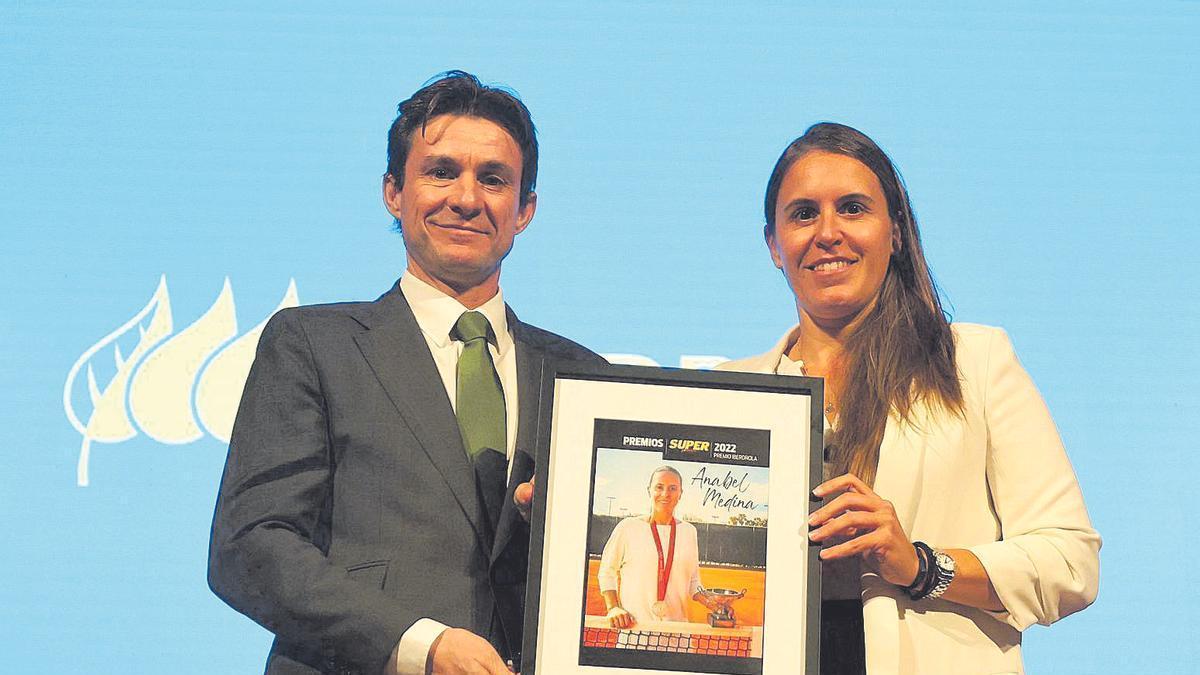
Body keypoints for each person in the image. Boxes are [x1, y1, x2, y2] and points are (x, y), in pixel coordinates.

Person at [207, 71, 602, 675]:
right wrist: (419, 644)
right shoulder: (313, 344)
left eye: (493, 179)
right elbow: (252, 545)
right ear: (394, 192)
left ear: (525, 209)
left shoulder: (584, 378)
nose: (467, 198)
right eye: (440, 171)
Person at [717, 123, 1100, 674]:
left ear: (895, 231)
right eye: (803, 214)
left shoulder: (975, 362)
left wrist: (921, 565)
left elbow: (1072, 562)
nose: (827, 233)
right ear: (774, 245)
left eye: (852, 208)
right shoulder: (731, 392)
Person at [597, 466, 711, 628]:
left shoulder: (689, 531)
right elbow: (607, 571)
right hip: (635, 632)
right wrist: (613, 607)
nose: (665, 494)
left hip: (678, 634)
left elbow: (693, 580)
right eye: (659, 487)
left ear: (680, 494)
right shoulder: (628, 527)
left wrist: (714, 603)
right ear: (649, 490)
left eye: (673, 488)